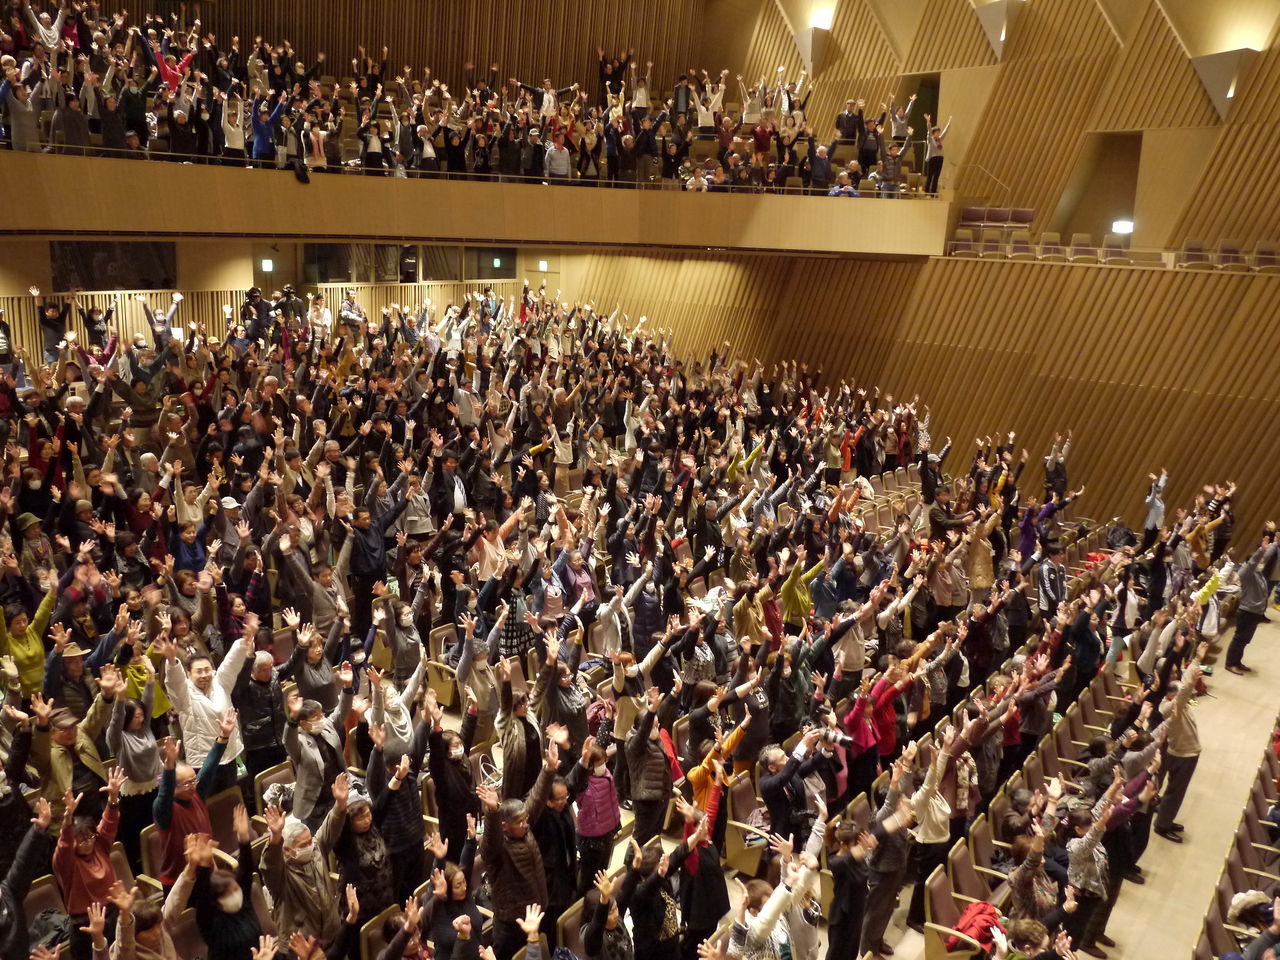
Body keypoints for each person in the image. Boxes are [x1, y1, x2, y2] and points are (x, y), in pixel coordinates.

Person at [478, 739, 557, 960]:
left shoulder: (523, 826)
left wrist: (548, 769)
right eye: (520, 822)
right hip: (511, 923)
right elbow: (489, 845)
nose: (526, 824)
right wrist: (492, 812)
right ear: (505, 826)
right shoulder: (497, 848)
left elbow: (536, 798)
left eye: (525, 819)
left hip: (534, 912)